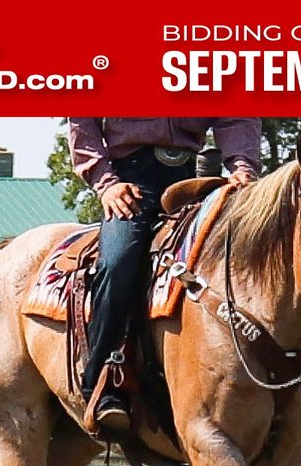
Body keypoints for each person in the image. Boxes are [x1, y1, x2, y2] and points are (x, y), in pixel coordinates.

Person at [67, 118, 262, 434]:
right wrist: (105, 183)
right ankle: (103, 380)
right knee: (118, 263)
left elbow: (236, 112)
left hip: (195, 180)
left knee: (259, 251)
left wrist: (242, 168)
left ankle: (291, 393)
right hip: (129, 182)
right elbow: (82, 116)